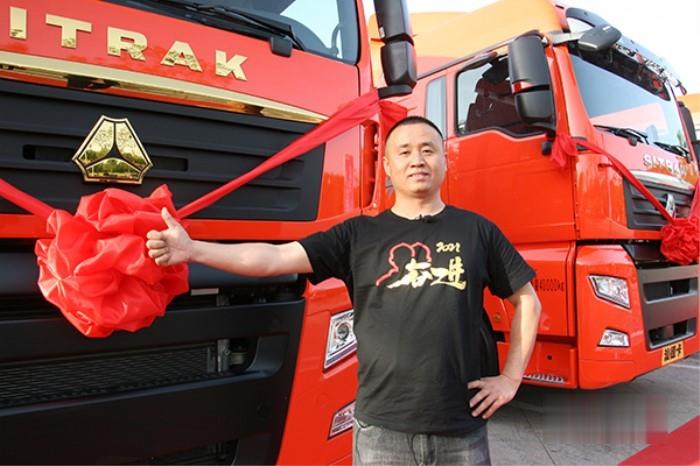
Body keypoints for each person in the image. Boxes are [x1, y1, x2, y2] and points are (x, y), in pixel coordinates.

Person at [146, 116, 541, 465]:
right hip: (382, 431)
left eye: (428, 150)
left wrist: (510, 379)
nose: (417, 160)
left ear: (444, 160)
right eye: (404, 152)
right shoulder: (359, 235)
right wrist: (193, 249)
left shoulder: (477, 231)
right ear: (387, 166)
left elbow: (527, 301)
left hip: (461, 428)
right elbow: (272, 258)